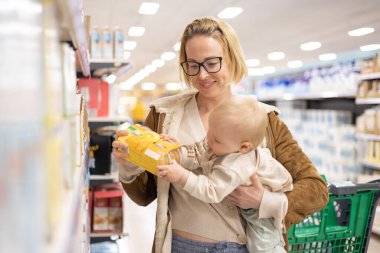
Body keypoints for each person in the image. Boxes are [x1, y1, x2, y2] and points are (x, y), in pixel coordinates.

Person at [112, 16, 329, 253]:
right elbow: (144, 195)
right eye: (193, 65)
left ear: (232, 59)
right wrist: (129, 164)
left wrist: (262, 201)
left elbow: (316, 189)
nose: (202, 75)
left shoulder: (263, 119)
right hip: (181, 246)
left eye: (212, 63)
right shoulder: (164, 115)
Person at [156, 96, 293, 253]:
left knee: (263, 246)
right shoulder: (221, 140)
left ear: (243, 147)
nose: (208, 140)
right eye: (209, 131)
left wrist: (181, 176)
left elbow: (211, 191)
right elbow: (198, 152)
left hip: (261, 214)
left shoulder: (235, 165)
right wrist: (176, 150)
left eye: (216, 140)